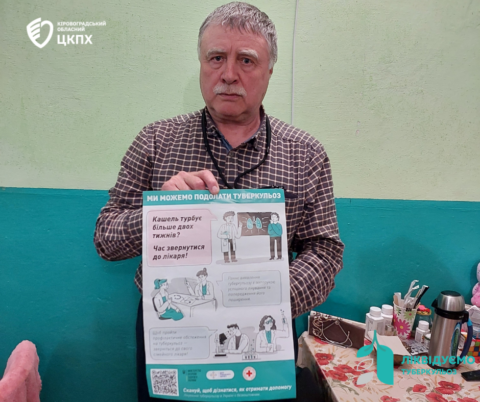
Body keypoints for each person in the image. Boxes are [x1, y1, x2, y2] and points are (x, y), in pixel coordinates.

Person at [94, 2, 344, 400]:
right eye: (216, 58)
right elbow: (106, 239)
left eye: (246, 60)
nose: (228, 74)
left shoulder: (305, 154)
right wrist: (157, 212)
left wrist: (270, 294)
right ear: (201, 63)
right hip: (173, 333)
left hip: (265, 334)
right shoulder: (156, 141)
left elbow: (325, 251)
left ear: (269, 71)